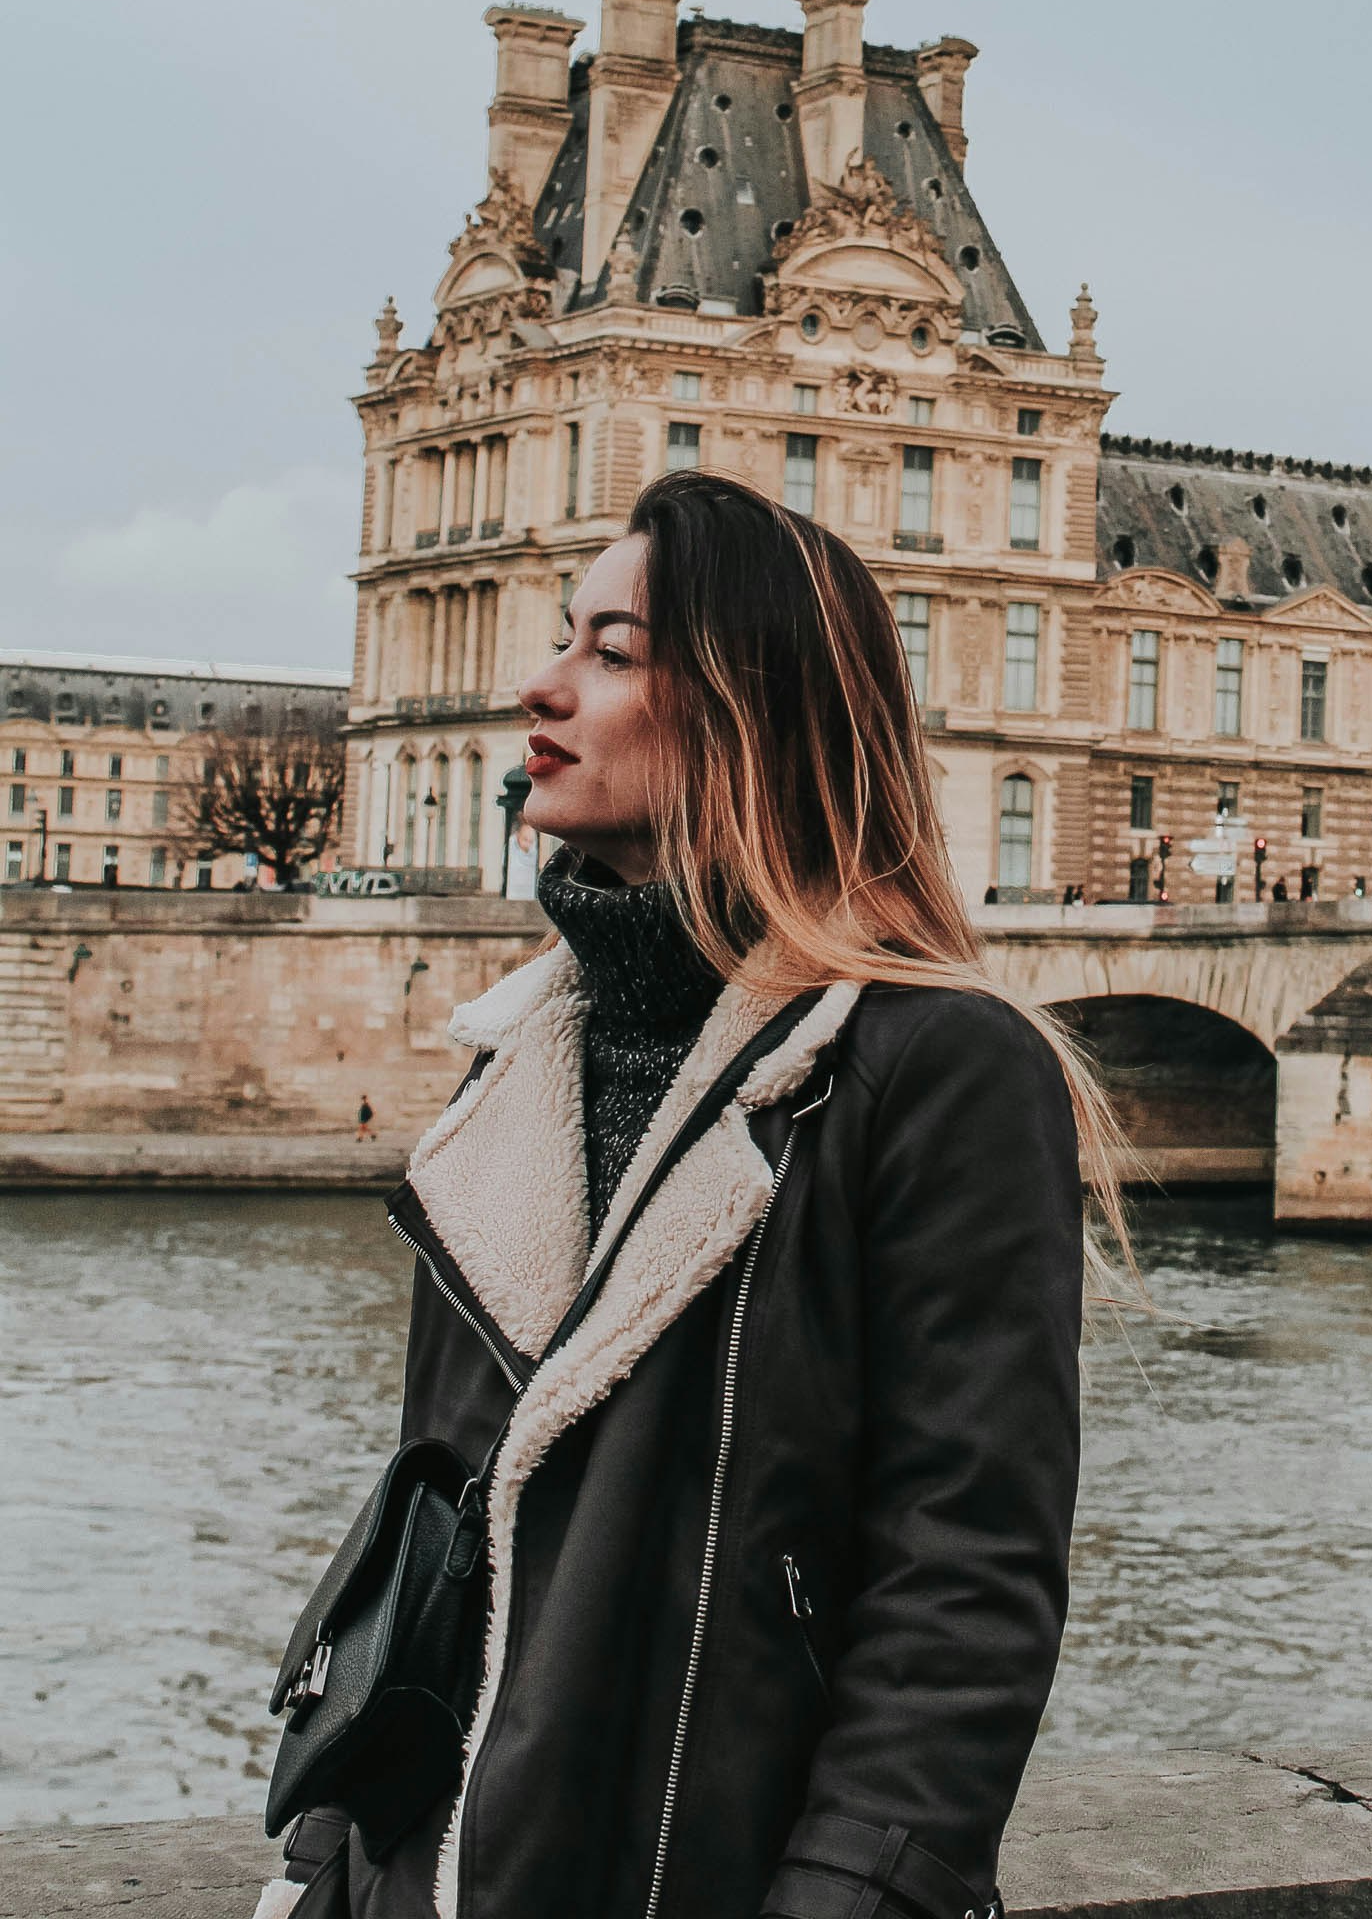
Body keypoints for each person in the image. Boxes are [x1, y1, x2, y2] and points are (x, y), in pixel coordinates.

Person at [258, 471, 1117, 1919]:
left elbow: (963, 1585)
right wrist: (335, 1852)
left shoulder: (938, 1069)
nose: (540, 686)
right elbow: (440, 1528)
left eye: (611, 651)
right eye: (561, 639)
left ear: (750, 710)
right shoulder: (515, 1065)